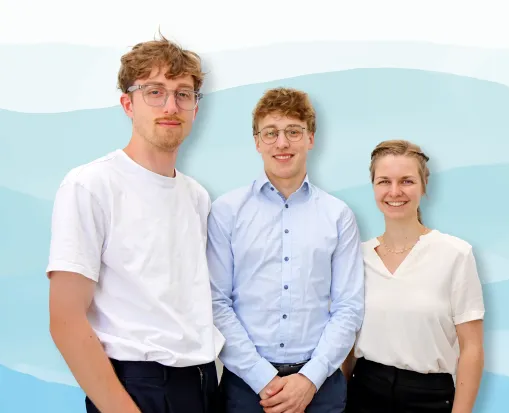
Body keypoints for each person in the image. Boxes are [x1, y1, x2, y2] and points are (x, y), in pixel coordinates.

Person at [46, 35, 225, 413]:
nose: (171, 106)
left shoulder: (196, 196)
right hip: (136, 386)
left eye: (183, 94)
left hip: (202, 382)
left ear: (195, 108)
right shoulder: (91, 185)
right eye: (154, 92)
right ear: (128, 103)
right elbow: (65, 319)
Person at [206, 87, 365, 413]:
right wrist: (262, 378)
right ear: (257, 141)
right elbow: (216, 302)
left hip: (320, 388)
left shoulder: (338, 215)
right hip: (246, 389)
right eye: (271, 133)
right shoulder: (226, 211)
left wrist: (309, 379)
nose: (282, 143)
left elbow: (349, 307)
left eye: (293, 131)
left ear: (310, 138)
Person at [343, 139, 485, 413]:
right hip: (364, 393)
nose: (394, 191)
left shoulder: (455, 254)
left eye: (406, 181)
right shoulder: (356, 257)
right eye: (384, 181)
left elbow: (472, 348)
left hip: (430, 398)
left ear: (423, 185)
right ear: (373, 186)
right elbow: (346, 344)